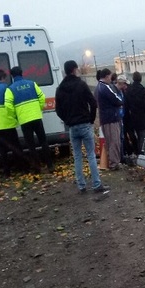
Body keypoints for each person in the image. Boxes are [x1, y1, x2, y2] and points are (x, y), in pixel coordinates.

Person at [55, 60, 108, 194]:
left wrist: (67, 120)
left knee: (77, 157)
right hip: (84, 124)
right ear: (74, 69)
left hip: (73, 127)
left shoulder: (60, 88)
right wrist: (90, 119)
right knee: (90, 154)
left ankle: (81, 186)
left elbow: (58, 110)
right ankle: (96, 184)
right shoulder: (81, 85)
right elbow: (93, 103)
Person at [5, 66, 53, 173]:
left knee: (31, 145)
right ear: (22, 73)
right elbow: (42, 97)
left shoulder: (10, 89)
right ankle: (50, 165)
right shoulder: (32, 83)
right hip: (36, 117)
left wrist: (15, 115)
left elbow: (8, 105)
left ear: (12, 76)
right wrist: (38, 108)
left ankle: (37, 168)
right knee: (43, 141)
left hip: (24, 120)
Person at [0, 69, 24, 177]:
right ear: (3, 78)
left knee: (2, 150)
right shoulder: (6, 88)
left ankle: (6, 172)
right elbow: (10, 102)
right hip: (8, 122)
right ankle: (20, 168)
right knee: (15, 147)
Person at [96, 68, 123, 170]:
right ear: (107, 76)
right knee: (114, 141)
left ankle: (110, 161)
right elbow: (117, 99)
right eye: (110, 77)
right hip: (111, 118)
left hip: (104, 118)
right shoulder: (106, 87)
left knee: (109, 141)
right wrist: (120, 103)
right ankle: (114, 163)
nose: (111, 79)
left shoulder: (98, 87)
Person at [124, 71, 145, 156]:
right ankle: (141, 154)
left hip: (132, 117)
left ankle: (136, 152)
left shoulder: (128, 90)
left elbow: (126, 104)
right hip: (142, 118)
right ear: (140, 79)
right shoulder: (142, 91)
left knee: (134, 136)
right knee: (142, 137)